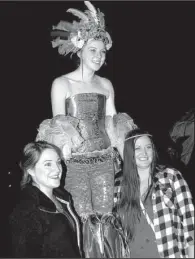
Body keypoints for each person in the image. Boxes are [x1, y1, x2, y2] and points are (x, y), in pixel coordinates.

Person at [36, 1, 135, 257]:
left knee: (105, 217)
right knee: (81, 218)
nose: (99, 56)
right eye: (93, 50)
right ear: (79, 49)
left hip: (104, 161)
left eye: (103, 52)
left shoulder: (106, 84)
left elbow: (114, 124)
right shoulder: (61, 84)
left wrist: (128, 160)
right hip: (76, 164)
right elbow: (58, 125)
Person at [116, 128, 194, 258]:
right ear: (129, 153)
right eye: (138, 148)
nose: (144, 153)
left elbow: (191, 223)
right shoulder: (118, 185)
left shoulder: (170, 177)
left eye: (148, 147)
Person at [9, 141, 81, 258]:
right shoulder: (27, 210)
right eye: (48, 164)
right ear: (30, 170)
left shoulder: (63, 199)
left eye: (58, 162)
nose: (57, 169)